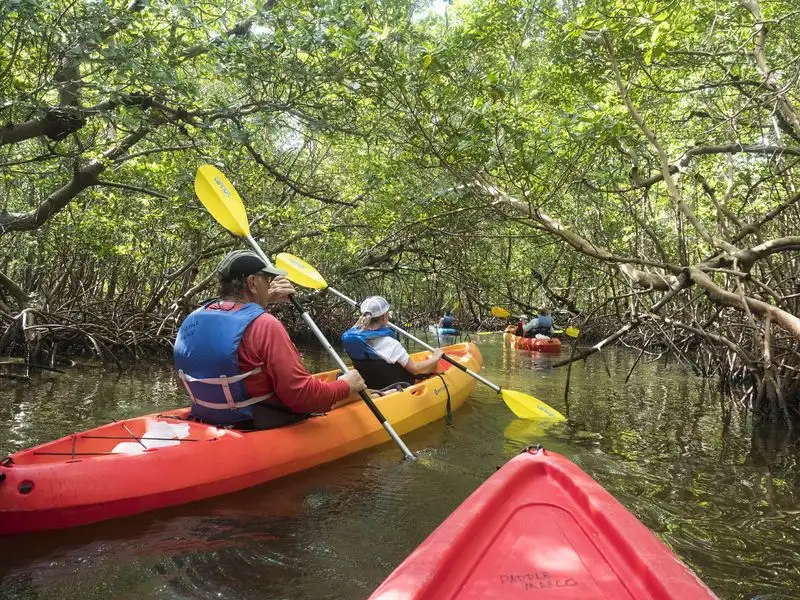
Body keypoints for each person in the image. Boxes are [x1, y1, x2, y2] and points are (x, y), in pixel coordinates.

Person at [174, 250, 366, 430]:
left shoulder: (193, 318)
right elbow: (302, 397)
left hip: (210, 415)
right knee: (356, 390)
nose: (271, 284)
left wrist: (266, 298)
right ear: (252, 283)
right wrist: (347, 385)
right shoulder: (265, 325)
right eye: (267, 280)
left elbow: (235, 319)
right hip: (257, 421)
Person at [341, 296, 443, 390]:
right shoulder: (389, 343)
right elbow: (415, 369)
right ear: (384, 316)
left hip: (370, 385)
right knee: (430, 367)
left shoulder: (353, 341)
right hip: (397, 386)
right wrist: (436, 357)